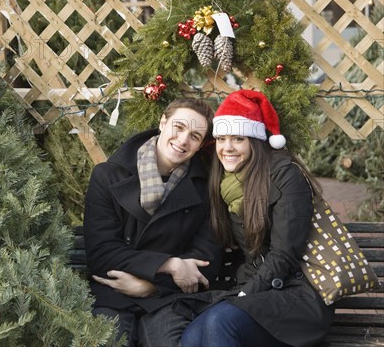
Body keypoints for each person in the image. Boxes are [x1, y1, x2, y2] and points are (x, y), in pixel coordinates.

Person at [180, 90, 334, 347]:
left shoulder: (285, 176)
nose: (227, 148)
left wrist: (245, 294)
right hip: (257, 289)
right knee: (192, 335)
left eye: (238, 139)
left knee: (221, 322)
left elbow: (285, 254)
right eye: (221, 139)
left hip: (297, 293)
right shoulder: (224, 183)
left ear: (255, 141)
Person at [83, 97, 223, 347]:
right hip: (114, 292)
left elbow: (206, 258)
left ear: (201, 144)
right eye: (178, 127)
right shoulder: (108, 175)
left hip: (168, 298)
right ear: (163, 122)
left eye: (195, 136)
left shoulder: (206, 188)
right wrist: (169, 264)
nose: (182, 140)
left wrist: (151, 287)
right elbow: (102, 252)